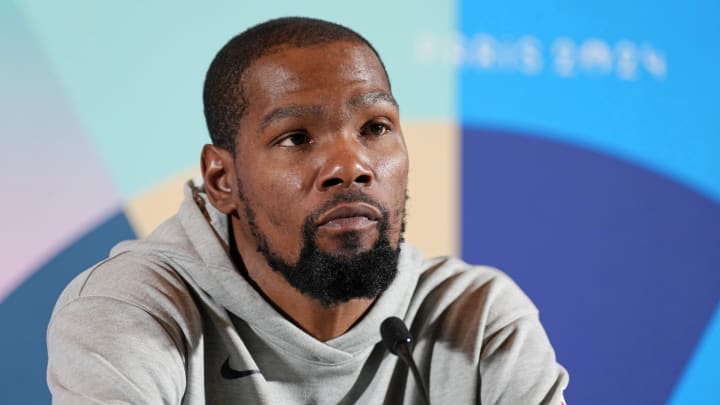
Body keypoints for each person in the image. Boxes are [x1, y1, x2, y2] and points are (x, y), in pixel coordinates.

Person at [47, 17, 568, 404]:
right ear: (221, 180)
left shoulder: (478, 319)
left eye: (376, 128)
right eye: (296, 137)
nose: (350, 166)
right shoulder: (129, 310)